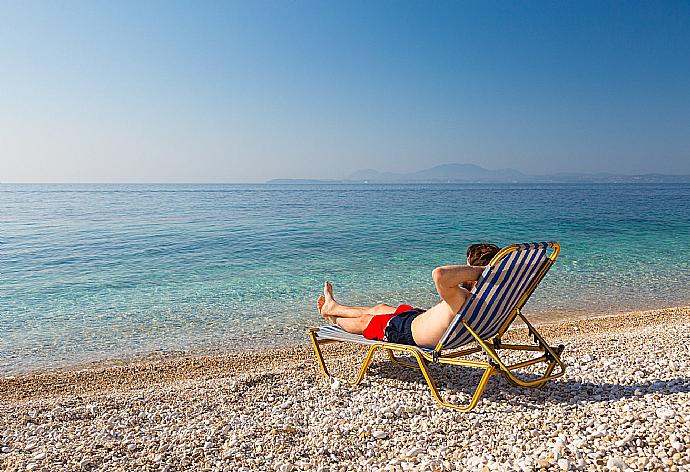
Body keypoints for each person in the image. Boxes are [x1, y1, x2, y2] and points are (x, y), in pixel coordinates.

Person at [317, 243, 500, 349]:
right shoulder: (494, 299)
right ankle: (334, 307)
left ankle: (333, 318)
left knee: (367, 320)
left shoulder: (464, 298)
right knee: (380, 308)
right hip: (420, 317)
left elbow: (439, 275)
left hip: (407, 331)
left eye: (467, 266)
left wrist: (483, 271)